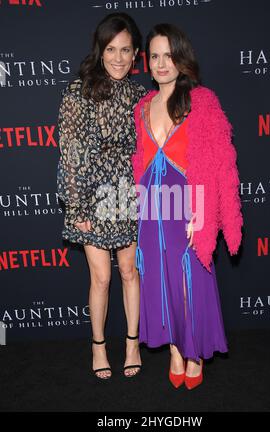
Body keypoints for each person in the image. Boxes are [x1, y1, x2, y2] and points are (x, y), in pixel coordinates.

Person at [132, 23, 243, 390]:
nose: (163, 64)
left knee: (186, 282)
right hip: (152, 212)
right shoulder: (142, 108)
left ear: (183, 59)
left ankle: (193, 354)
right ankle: (175, 351)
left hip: (187, 209)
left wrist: (203, 211)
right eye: (156, 56)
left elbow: (219, 162)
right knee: (158, 281)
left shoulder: (202, 101)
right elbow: (138, 163)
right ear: (148, 62)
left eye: (170, 56)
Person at [57, 13, 146, 379]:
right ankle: (97, 345)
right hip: (92, 195)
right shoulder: (78, 91)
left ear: (136, 52)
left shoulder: (141, 95)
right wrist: (77, 205)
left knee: (128, 271)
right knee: (102, 278)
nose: (119, 58)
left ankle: (131, 343)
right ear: (100, 49)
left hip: (129, 192)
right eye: (111, 49)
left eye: (126, 50)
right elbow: (70, 151)